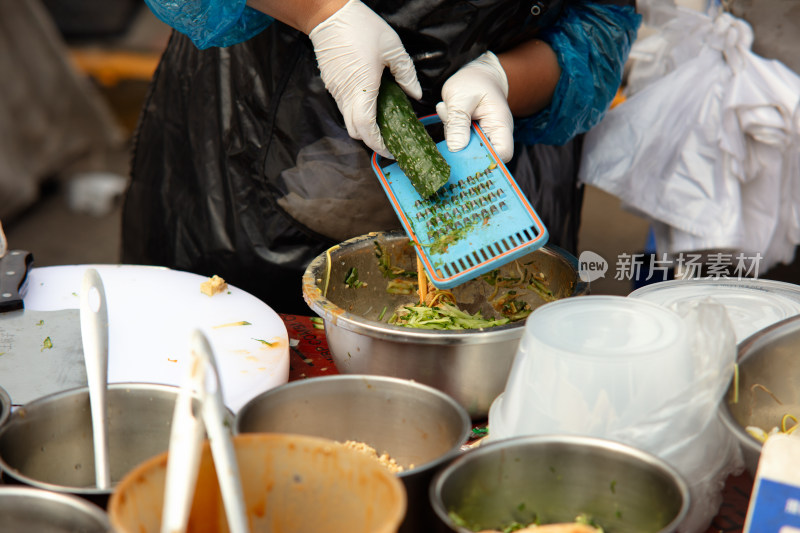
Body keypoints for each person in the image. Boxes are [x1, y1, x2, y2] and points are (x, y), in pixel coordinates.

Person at [121, 0, 641, 314]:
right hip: (251, 145)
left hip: (492, 157)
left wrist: (504, 79)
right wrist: (322, 13)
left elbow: (599, 22)